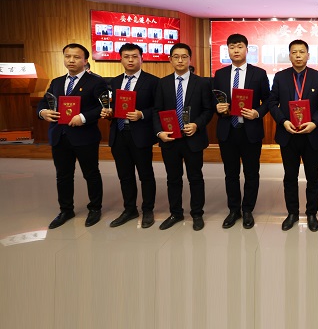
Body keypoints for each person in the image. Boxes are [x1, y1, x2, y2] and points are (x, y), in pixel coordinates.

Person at [37, 43, 108, 228]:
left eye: (76, 57)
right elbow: (44, 101)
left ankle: (95, 208)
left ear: (85, 61)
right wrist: (43, 112)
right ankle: (66, 210)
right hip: (59, 135)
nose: (71, 60)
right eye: (68, 56)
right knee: (63, 175)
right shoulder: (57, 82)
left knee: (91, 174)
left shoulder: (96, 82)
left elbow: (103, 107)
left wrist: (83, 117)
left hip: (85, 136)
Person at [268, 39, 318, 232]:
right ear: (289, 56)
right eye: (294, 52)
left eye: (302, 52)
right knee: (290, 177)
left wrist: (315, 123)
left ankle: (312, 213)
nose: (298, 56)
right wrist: (283, 121)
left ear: (308, 55)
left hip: (311, 135)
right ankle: (292, 213)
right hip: (288, 134)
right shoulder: (280, 77)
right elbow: (272, 102)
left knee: (313, 177)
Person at [153, 43, 214, 231]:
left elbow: (208, 110)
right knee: (173, 178)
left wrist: (197, 125)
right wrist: (159, 132)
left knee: (195, 178)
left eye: (184, 56)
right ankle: (175, 213)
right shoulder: (162, 83)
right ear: (170, 59)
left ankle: (197, 214)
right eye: (176, 57)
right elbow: (156, 111)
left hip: (193, 139)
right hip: (170, 139)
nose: (180, 60)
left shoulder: (202, 83)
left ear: (190, 59)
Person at [213, 34, 270, 229]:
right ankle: (233, 210)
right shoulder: (220, 74)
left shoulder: (259, 74)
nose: (235, 50)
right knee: (230, 174)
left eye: (239, 46)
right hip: (227, 130)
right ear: (227, 50)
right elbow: (214, 99)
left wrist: (257, 112)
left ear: (247, 49)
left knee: (251, 173)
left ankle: (247, 210)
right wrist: (217, 108)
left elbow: (268, 100)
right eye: (231, 47)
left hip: (250, 130)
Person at [102, 43, 159, 229]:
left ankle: (148, 209)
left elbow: (158, 108)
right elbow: (112, 105)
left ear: (142, 58)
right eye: (126, 57)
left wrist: (142, 114)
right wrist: (109, 112)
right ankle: (129, 209)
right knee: (124, 175)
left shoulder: (152, 81)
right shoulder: (114, 82)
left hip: (140, 134)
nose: (131, 60)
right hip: (118, 133)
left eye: (135, 56)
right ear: (120, 59)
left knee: (145, 174)